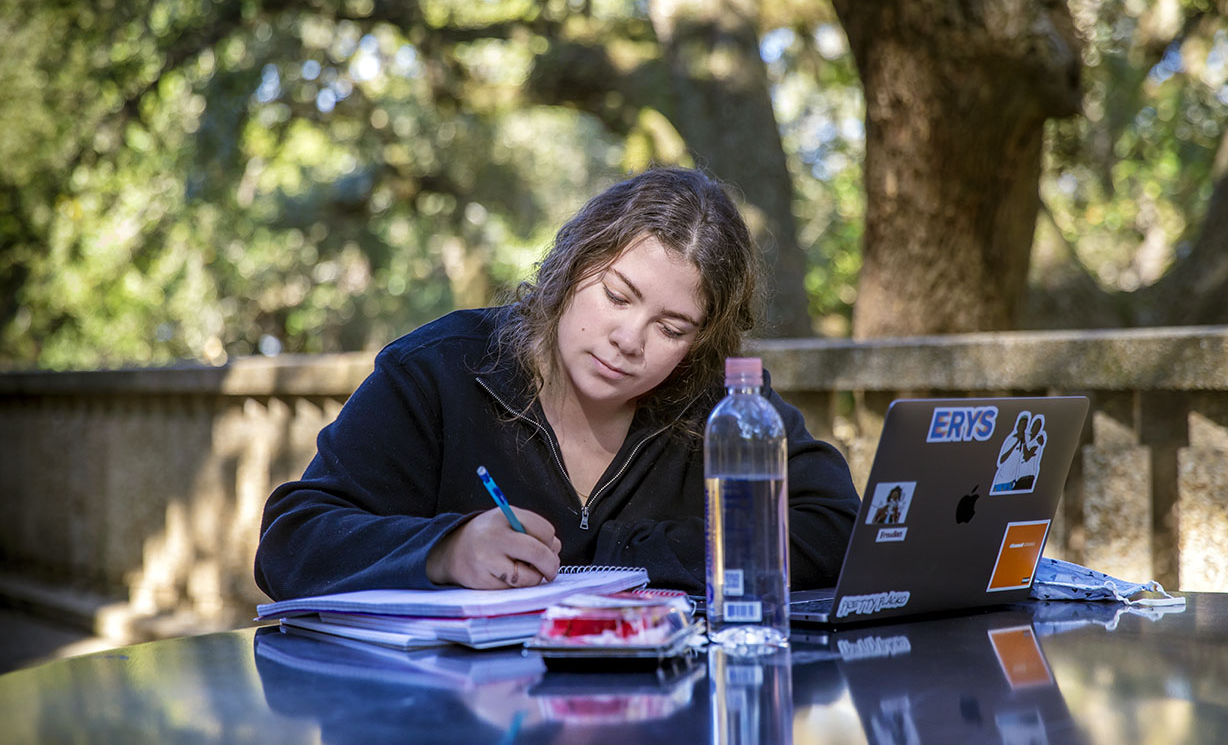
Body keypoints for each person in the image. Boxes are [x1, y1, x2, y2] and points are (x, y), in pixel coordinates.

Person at [254, 167, 860, 599]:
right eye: (617, 296)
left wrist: (620, 554)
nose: (630, 339)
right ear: (571, 267)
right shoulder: (439, 370)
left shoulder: (722, 402)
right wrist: (446, 550)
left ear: (702, 342)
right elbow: (292, 539)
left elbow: (838, 528)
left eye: (672, 328)